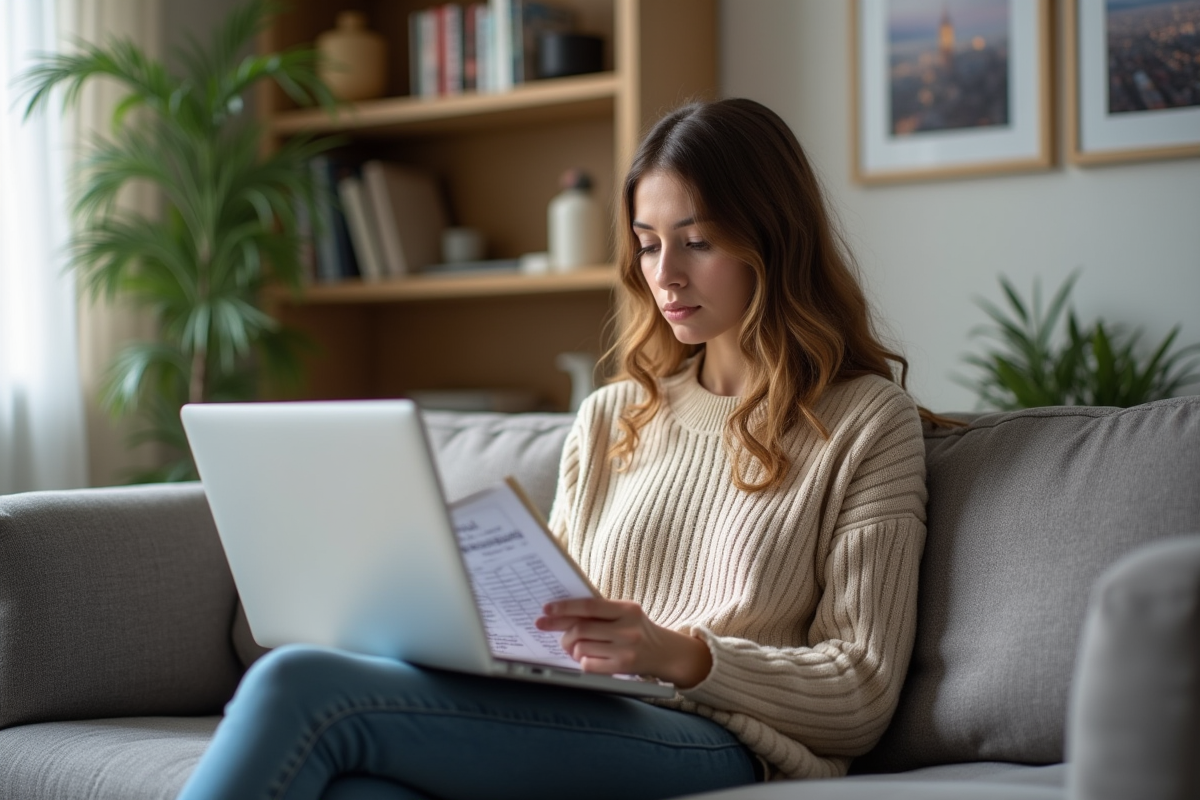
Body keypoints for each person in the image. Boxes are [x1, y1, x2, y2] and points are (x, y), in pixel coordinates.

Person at [177, 98, 932, 800]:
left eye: (697, 243)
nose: (664, 275)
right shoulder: (611, 417)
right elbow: (550, 625)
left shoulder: (868, 423)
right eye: (647, 245)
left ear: (774, 241)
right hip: (590, 712)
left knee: (296, 685)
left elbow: (859, 692)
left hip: (719, 737)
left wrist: (677, 654)